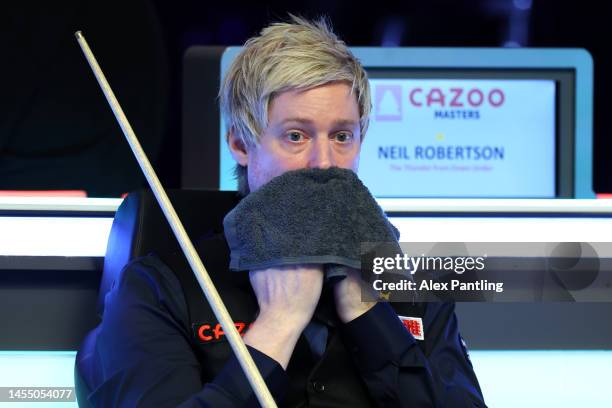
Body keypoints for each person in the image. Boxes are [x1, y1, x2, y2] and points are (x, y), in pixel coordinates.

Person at [86, 16, 487, 407]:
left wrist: (369, 317)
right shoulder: (159, 290)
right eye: (296, 135)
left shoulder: (407, 290)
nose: (324, 163)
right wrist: (277, 325)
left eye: (342, 136)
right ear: (241, 145)